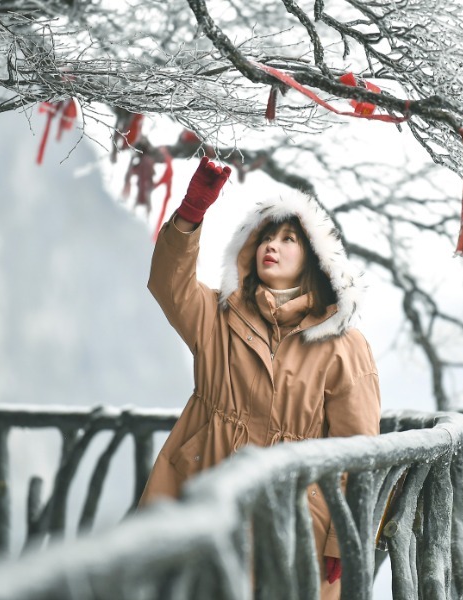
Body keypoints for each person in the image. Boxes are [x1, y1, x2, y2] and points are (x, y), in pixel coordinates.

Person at [137, 156, 382, 599]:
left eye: (289, 238)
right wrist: (192, 211)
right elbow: (167, 283)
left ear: (313, 257)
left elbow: (358, 448)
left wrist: (340, 537)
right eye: (266, 236)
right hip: (204, 487)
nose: (273, 244)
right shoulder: (219, 316)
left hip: (296, 513)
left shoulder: (343, 344)